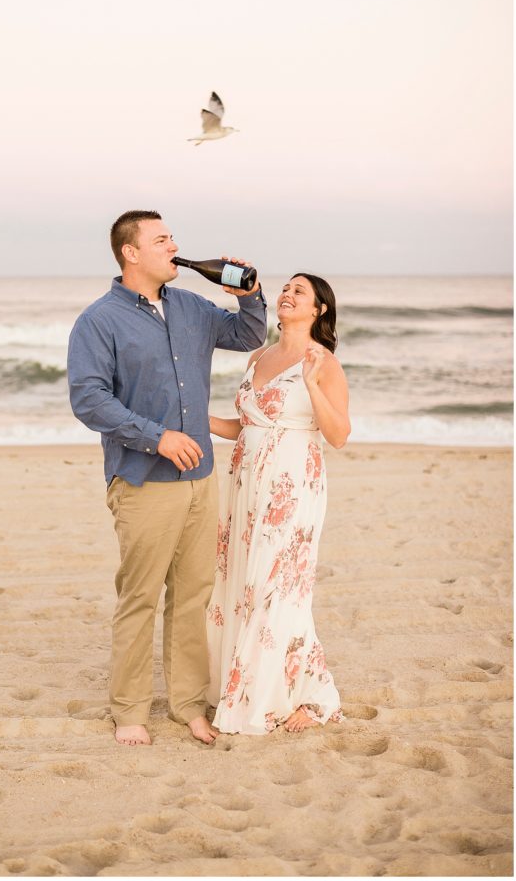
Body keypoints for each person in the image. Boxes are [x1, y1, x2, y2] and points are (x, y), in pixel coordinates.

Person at [67, 211, 267, 746]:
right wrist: (157, 437)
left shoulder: (192, 307)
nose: (175, 246)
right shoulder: (99, 321)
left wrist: (250, 292)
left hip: (202, 477)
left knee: (193, 596)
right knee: (140, 597)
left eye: (173, 237)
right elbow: (89, 400)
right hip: (142, 480)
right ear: (131, 253)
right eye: (162, 240)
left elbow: (249, 334)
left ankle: (187, 704)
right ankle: (130, 710)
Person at [207, 273, 350, 735]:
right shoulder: (258, 355)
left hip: (291, 487)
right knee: (242, 582)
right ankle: (250, 686)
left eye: (299, 292)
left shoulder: (323, 361)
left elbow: (339, 435)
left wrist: (310, 383)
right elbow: (246, 425)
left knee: (278, 588)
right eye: (285, 289)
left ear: (319, 310)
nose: (287, 295)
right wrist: (189, 418)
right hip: (245, 483)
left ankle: (300, 696)